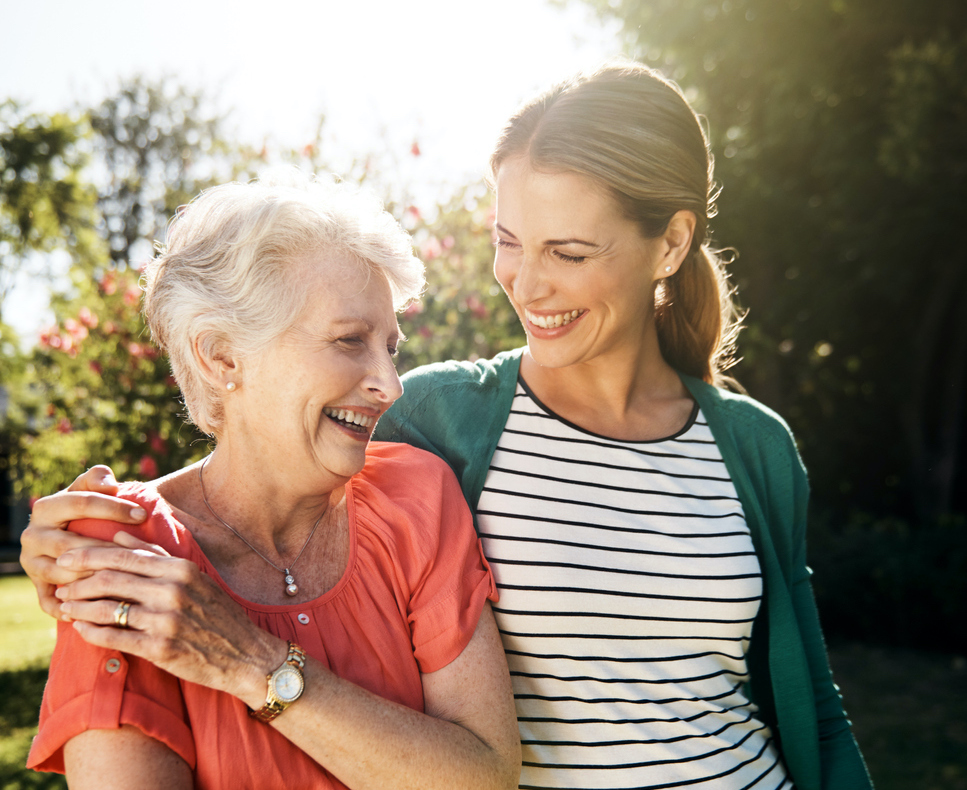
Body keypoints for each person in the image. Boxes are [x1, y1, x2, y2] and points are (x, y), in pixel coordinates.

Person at [22, 62, 872, 790]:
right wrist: (81, 542)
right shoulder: (443, 420)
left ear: (672, 243)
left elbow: (812, 706)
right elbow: (260, 452)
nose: (527, 285)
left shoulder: (754, 447)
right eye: (508, 241)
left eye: (568, 252)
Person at [22, 173, 522, 790]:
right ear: (222, 357)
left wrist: (252, 662)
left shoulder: (414, 495)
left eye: (390, 347)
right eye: (349, 341)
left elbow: (484, 776)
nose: (391, 385)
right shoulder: (124, 550)